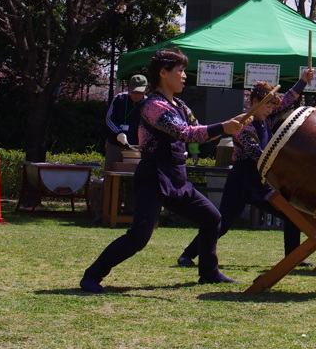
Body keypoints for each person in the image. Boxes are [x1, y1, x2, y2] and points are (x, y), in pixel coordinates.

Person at [80, 49, 244, 293]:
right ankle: (92, 276)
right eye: (179, 70)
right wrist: (224, 127)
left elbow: (196, 128)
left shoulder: (180, 105)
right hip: (153, 176)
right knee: (139, 237)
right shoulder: (154, 106)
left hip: (176, 176)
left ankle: (209, 272)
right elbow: (185, 133)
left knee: (212, 219)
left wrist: (234, 125)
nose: (184, 76)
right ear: (163, 73)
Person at [176, 69, 315, 268]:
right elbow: (255, 153)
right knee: (222, 224)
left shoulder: (265, 119)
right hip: (242, 179)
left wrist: (302, 80)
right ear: (255, 101)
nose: (270, 110)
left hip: (259, 179)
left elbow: (285, 101)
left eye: (271, 106)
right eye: (267, 105)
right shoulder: (241, 124)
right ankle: (187, 255)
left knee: (291, 214)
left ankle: (293, 256)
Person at [104, 74, 147, 169]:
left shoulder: (148, 104)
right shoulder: (119, 99)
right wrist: (118, 132)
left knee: (133, 174)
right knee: (110, 170)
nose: (136, 95)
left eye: (140, 93)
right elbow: (109, 118)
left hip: (134, 147)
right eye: (134, 92)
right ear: (129, 88)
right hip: (115, 144)